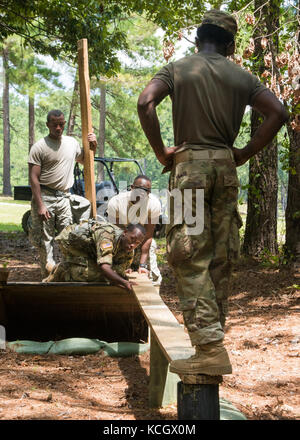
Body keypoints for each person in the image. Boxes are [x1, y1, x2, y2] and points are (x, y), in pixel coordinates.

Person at [137, 9, 288, 377]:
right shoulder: (243, 77)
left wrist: (161, 152)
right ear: (230, 45)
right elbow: (279, 112)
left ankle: (208, 347)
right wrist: (243, 153)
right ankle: (211, 341)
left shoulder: (177, 68)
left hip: (188, 168)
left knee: (187, 254)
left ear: (197, 38)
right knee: (220, 254)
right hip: (225, 168)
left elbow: (145, 102)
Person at [28, 109, 97, 278]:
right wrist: (41, 205)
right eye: (55, 125)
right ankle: (47, 275)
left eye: (61, 124)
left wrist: (92, 146)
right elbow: (33, 178)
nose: (58, 128)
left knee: (68, 236)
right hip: (45, 196)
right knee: (45, 240)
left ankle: (69, 275)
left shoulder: (71, 143)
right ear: (48, 125)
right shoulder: (39, 147)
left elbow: (84, 160)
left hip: (64, 197)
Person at [44, 220, 146, 291]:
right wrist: (123, 282)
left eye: (137, 243)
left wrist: (121, 277)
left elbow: (119, 271)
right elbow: (104, 267)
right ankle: (63, 270)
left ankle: (71, 266)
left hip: (92, 249)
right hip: (73, 244)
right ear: (125, 232)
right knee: (95, 274)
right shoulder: (106, 236)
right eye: (132, 239)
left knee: (114, 274)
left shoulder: (129, 250)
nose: (133, 245)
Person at [106, 175, 162, 285]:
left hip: (141, 241)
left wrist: (142, 265)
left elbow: (149, 236)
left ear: (149, 192)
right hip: (122, 241)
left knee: (152, 277)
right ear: (132, 187)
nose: (142, 192)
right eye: (139, 189)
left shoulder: (153, 204)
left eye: (146, 190)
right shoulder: (116, 203)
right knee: (119, 273)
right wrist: (124, 263)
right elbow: (116, 236)